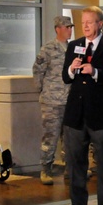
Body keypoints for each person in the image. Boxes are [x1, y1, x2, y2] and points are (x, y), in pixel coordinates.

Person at [61, 6, 103, 205]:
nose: (85, 26)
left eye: (90, 22)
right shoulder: (74, 45)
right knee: (75, 161)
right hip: (76, 115)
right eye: (83, 22)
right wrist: (72, 68)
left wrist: (95, 72)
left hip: (100, 115)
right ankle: (77, 203)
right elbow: (66, 77)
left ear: (100, 23)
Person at [33, 15, 74, 184]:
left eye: (71, 27)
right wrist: (42, 91)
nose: (70, 30)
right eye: (67, 27)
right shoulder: (48, 49)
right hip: (52, 101)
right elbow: (37, 71)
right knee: (50, 136)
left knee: (70, 137)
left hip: (70, 100)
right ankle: (46, 169)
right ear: (58, 29)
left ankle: (69, 168)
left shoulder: (74, 48)